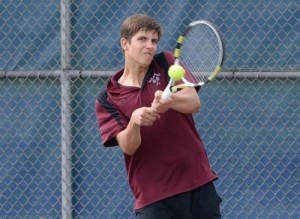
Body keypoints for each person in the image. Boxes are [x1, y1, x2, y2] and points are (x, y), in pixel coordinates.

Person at [95, 14, 222, 219]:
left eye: (154, 41)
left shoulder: (166, 63)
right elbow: (128, 146)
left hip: (197, 185)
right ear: (125, 43)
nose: (150, 46)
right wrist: (135, 122)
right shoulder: (107, 98)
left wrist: (169, 102)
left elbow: (193, 102)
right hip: (154, 198)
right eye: (143, 39)